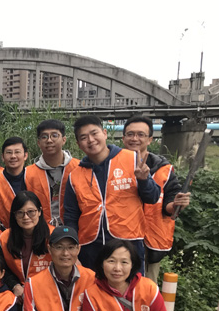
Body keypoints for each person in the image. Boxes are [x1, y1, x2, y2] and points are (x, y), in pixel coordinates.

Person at [64, 115, 160, 272]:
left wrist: (144, 181)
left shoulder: (131, 159)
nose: (91, 140)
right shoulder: (75, 175)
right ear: (78, 144)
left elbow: (153, 197)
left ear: (105, 133)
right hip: (90, 246)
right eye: (84, 137)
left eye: (94, 133)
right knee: (92, 292)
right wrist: (73, 248)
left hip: (128, 243)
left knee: (129, 293)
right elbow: (70, 216)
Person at [122, 115, 190, 282]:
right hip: (119, 237)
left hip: (149, 239)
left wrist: (176, 204)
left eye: (141, 134)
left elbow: (169, 203)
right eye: (130, 134)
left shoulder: (163, 170)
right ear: (123, 138)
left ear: (150, 139)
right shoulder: (112, 165)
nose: (135, 138)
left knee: (146, 289)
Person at [25, 120, 79, 226]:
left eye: (54, 135)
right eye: (44, 137)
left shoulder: (78, 167)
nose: (49, 140)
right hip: (41, 229)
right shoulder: (28, 173)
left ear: (64, 140)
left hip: (73, 228)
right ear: (38, 142)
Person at [0, 191, 53, 297]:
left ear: (40, 211)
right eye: (20, 212)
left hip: (49, 292)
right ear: (14, 215)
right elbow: (2, 268)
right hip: (18, 293)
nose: (26, 217)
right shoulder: (4, 238)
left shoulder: (53, 236)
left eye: (31, 212)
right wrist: (15, 286)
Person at [0, 137, 28, 230]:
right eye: (9, 152)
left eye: (17, 152)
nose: (13, 156)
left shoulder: (34, 178)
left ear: (25, 156)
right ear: (3, 157)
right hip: (6, 235)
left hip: (37, 233)